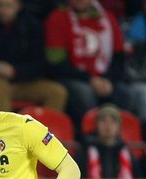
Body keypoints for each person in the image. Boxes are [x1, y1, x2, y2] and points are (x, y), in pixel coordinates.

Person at [0, 0, 67, 113]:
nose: (3, 11)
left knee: (57, 92)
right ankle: (7, 129)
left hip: (24, 80)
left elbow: (40, 63)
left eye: (8, 6)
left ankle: (43, 129)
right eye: (0, 5)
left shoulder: (31, 25)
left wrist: (15, 71)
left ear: (18, 6)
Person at [44, 0, 131, 129]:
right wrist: (90, 79)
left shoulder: (108, 19)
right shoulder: (57, 18)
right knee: (84, 94)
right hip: (72, 77)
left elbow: (119, 58)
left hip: (103, 78)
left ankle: (116, 143)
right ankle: (87, 140)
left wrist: (109, 81)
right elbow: (57, 64)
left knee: (124, 94)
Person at [76, 104, 140, 179]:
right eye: (103, 121)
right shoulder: (85, 151)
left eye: (112, 122)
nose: (107, 125)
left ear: (119, 127)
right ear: (97, 125)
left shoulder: (126, 152)